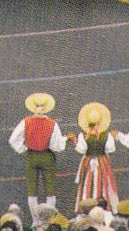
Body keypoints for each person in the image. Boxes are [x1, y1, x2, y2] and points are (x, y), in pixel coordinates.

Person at [9, 91, 66, 221]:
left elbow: (13, 139)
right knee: (50, 189)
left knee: (32, 190)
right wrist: (63, 141)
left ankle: (36, 220)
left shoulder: (26, 122)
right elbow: (57, 146)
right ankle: (49, 218)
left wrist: (23, 148)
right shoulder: (52, 124)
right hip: (47, 156)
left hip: (32, 156)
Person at [72, 102, 118, 213]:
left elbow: (81, 150)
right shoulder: (106, 135)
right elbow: (111, 149)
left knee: (87, 182)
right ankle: (104, 206)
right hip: (102, 160)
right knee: (103, 182)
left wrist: (74, 141)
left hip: (88, 161)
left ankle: (86, 206)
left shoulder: (83, 135)